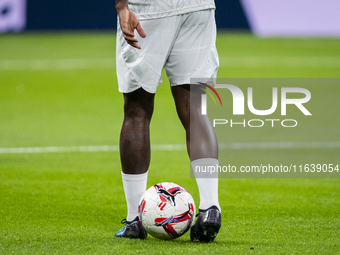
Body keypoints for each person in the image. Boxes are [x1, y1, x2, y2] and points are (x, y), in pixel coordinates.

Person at [114, 0, 221, 242]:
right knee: (195, 108)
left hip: (148, 8)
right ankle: (210, 209)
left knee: (137, 110)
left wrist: (122, 7)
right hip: (198, 6)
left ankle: (134, 220)